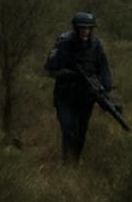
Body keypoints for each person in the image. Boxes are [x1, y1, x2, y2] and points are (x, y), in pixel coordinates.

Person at [43, 11, 113, 163]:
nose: (85, 31)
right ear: (76, 27)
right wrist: (65, 73)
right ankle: (67, 163)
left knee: (81, 131)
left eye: (88, 28)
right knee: (69, 128)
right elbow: (49, 68)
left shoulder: (96, 45)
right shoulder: (63, 43)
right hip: (65, 96)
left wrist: (105, 91)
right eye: (82, 28)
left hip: (86, 97)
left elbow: (104, 69)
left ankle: (75, 162)